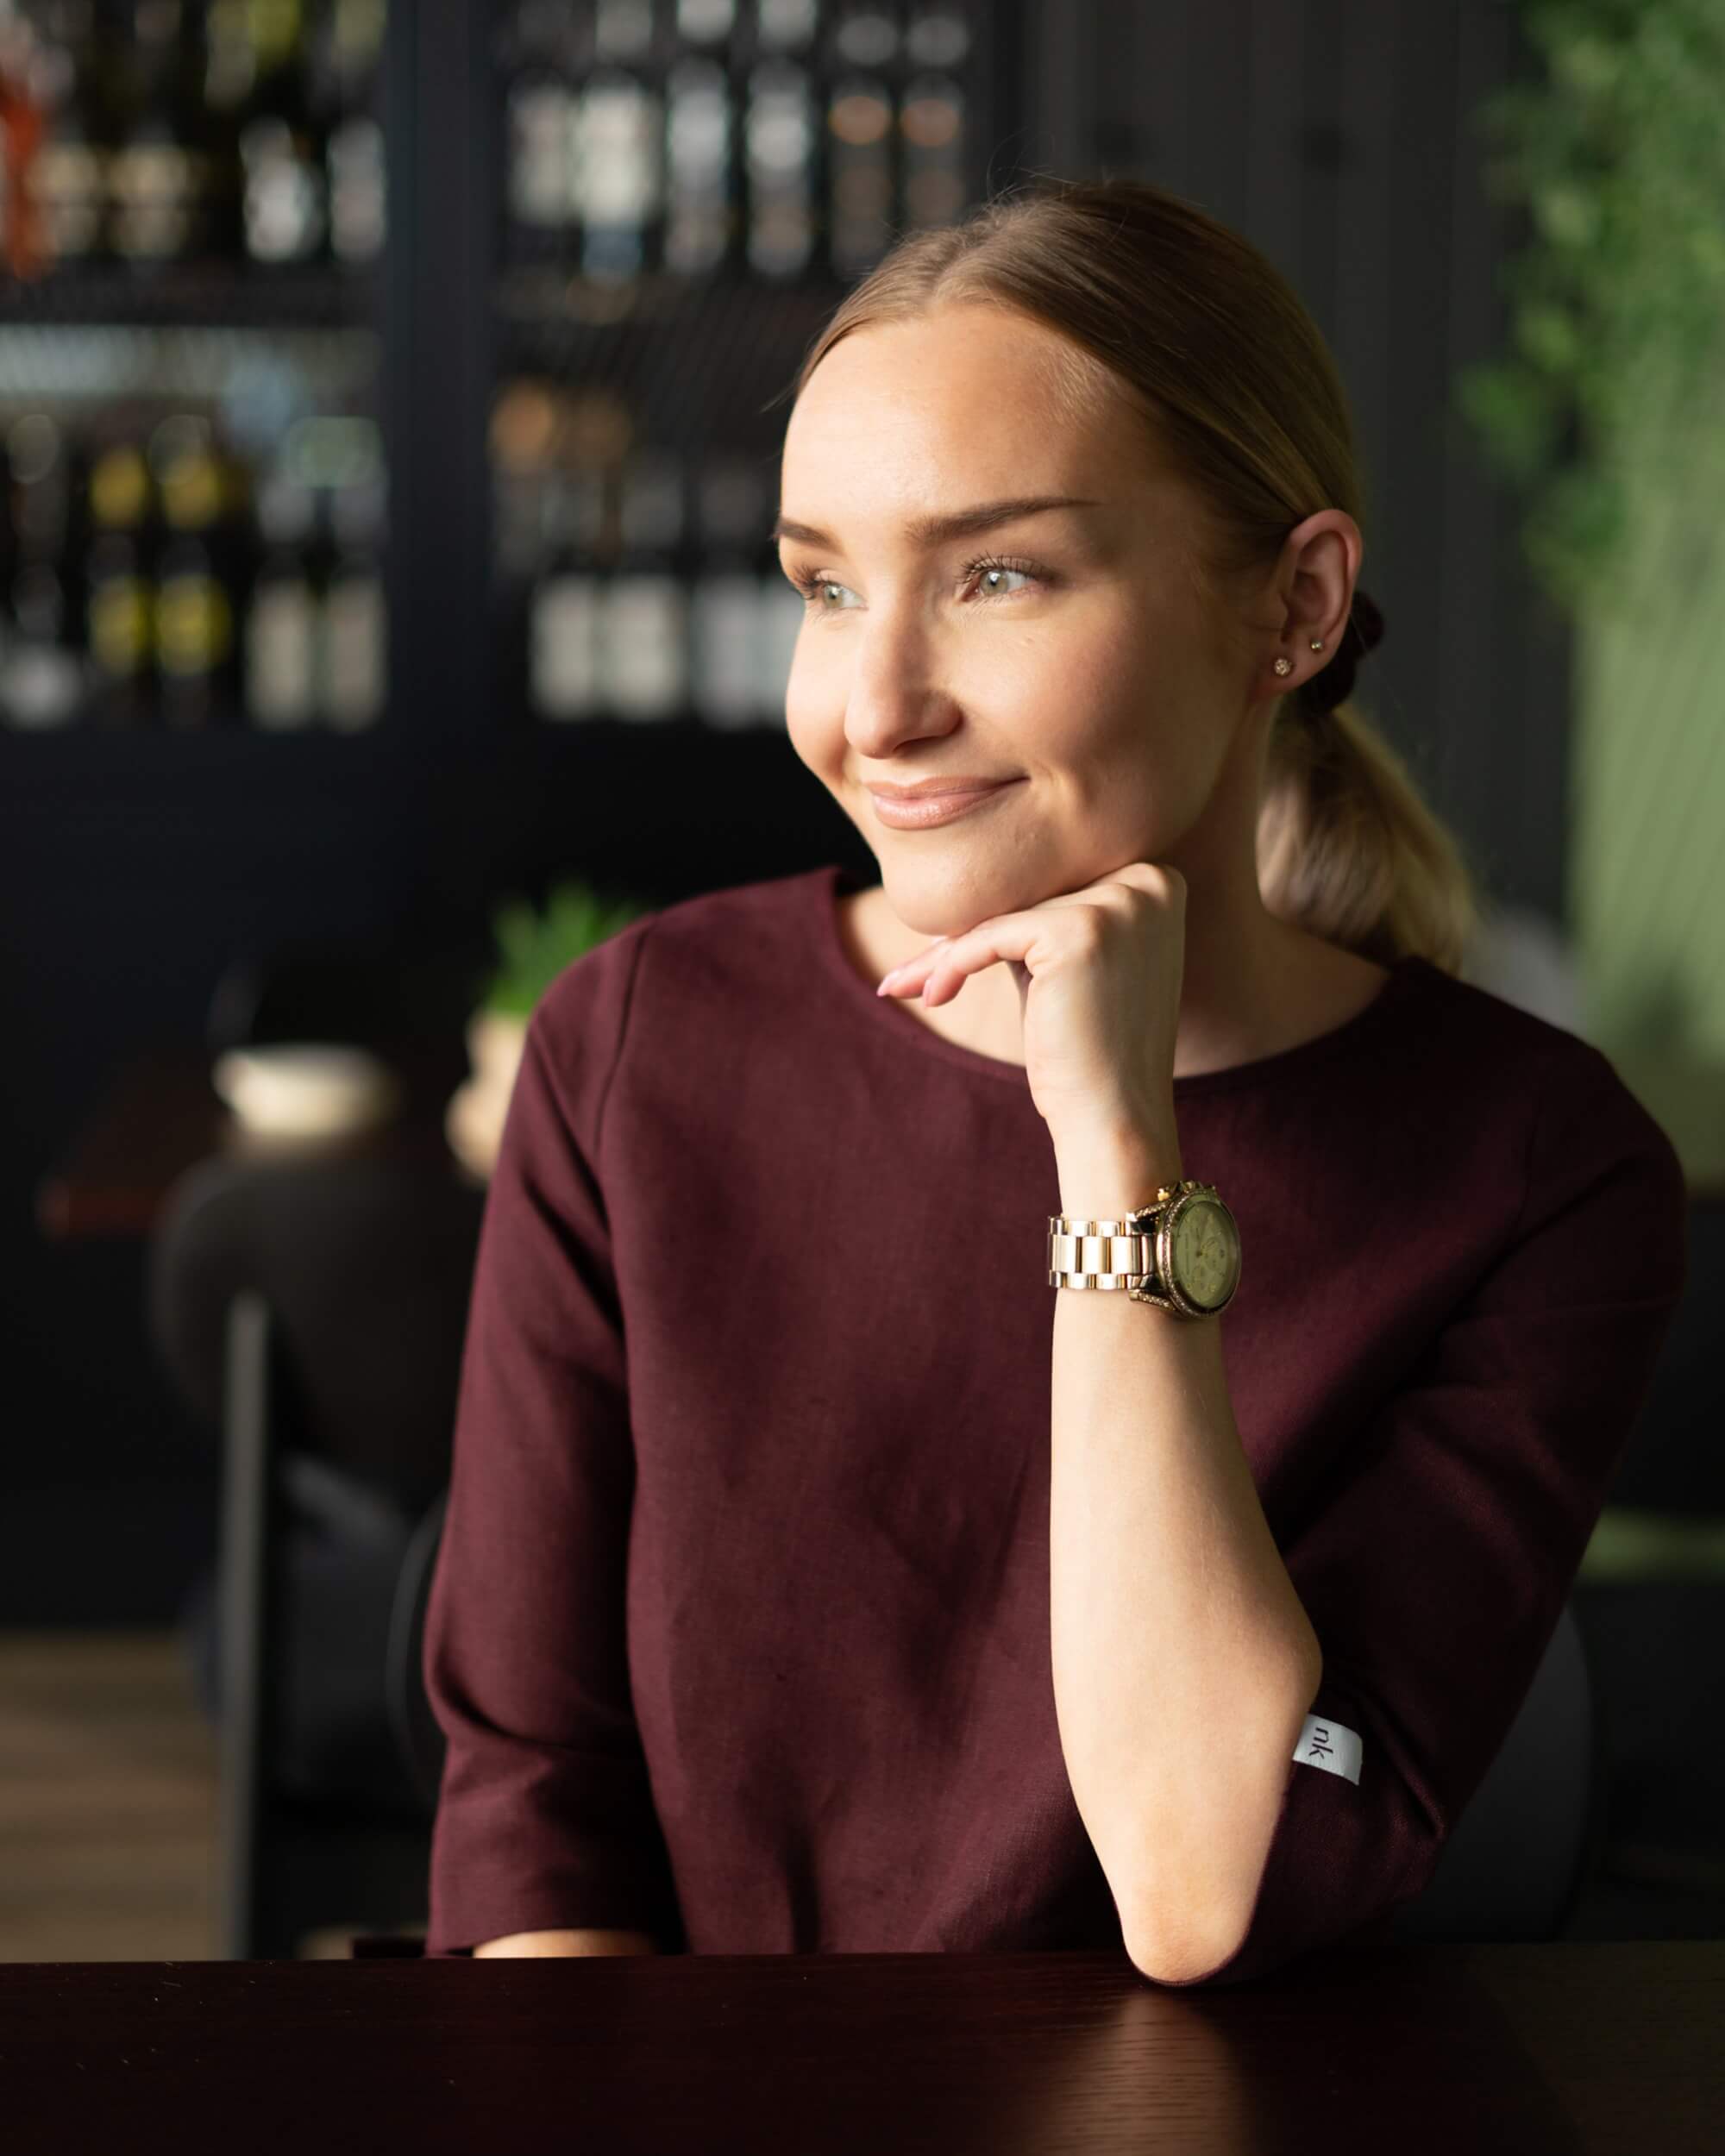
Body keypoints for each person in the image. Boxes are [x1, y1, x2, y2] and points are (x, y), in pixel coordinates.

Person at [419, 176, 1688, 1985]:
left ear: (1295, 604)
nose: (874, 703)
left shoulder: (1539, 1172)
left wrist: (1111, 1151)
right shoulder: (640, 1044)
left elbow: (1210, 1889)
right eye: (824, 584)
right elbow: (535, 1805)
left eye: (998, 574)